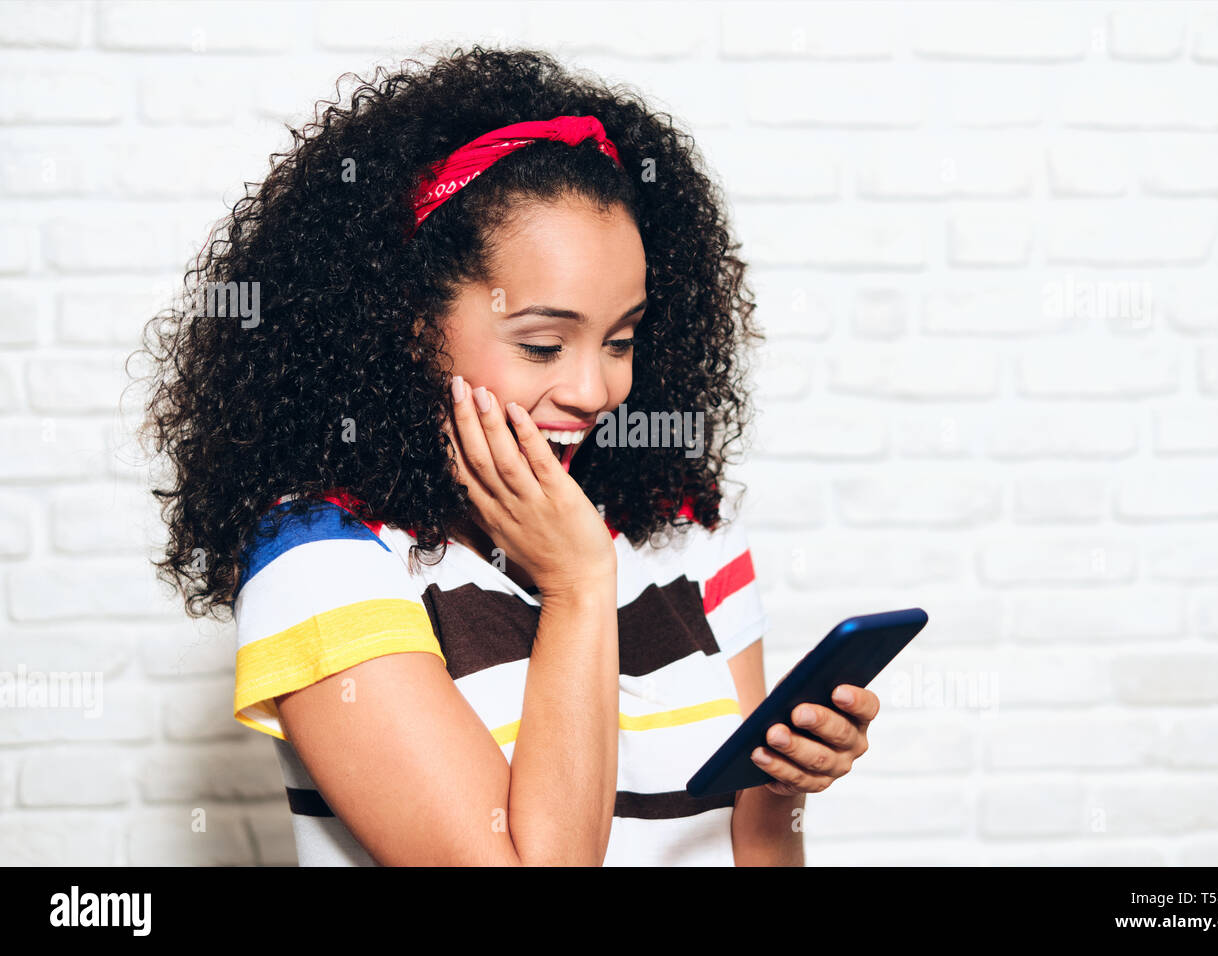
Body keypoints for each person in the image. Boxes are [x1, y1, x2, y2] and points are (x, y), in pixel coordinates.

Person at [139, 45, 879, 866]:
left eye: (622, 339)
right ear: (409, 326)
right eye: (541, 344)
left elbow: (753, 855)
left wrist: (778, 788)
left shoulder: (683, 528)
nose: (595, 391)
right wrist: (576, 586)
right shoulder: (320, 563)